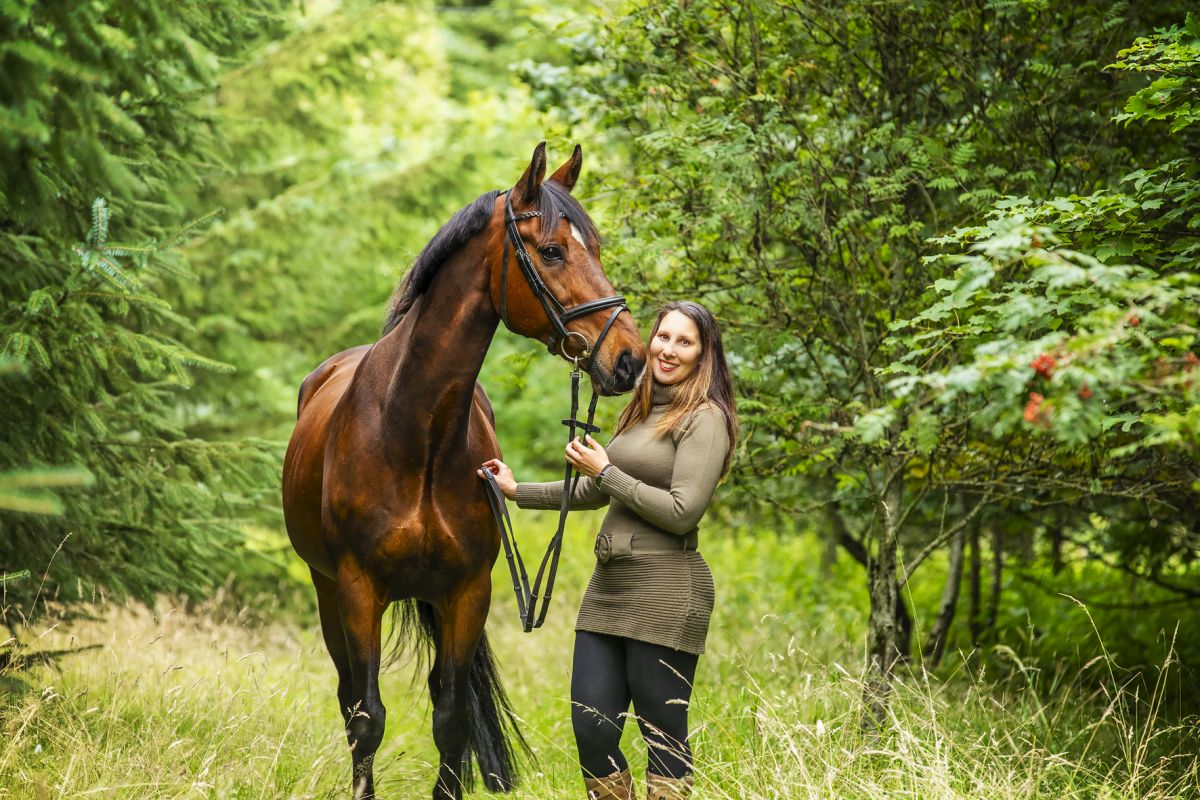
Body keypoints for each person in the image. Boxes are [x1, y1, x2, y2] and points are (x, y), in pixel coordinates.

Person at [478, 300, 737, 800]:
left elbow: (683, 510)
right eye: (663, 337)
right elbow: (593, 492)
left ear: (704, 354)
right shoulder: (640, 411)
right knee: (592, 728)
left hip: (665, 589)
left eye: (685, 342)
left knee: (662, 733)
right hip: (609, 590)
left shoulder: (705, 419)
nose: (668, 349)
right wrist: (516, 491)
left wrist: (607, 472)